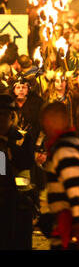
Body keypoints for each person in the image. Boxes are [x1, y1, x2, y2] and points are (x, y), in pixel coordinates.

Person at [40, 102, 79, 249]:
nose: (45, 128)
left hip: (69, 234)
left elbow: (76, 189)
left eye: (46, 122)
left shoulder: (65, 150)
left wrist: (78, 225)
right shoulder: (71, 145)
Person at [0, 94, 35, 249]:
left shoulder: (22, 139)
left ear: (12, 116)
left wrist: (10, 149)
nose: (1, 119)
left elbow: (27, 164)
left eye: (4, 114)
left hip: (20, 203)